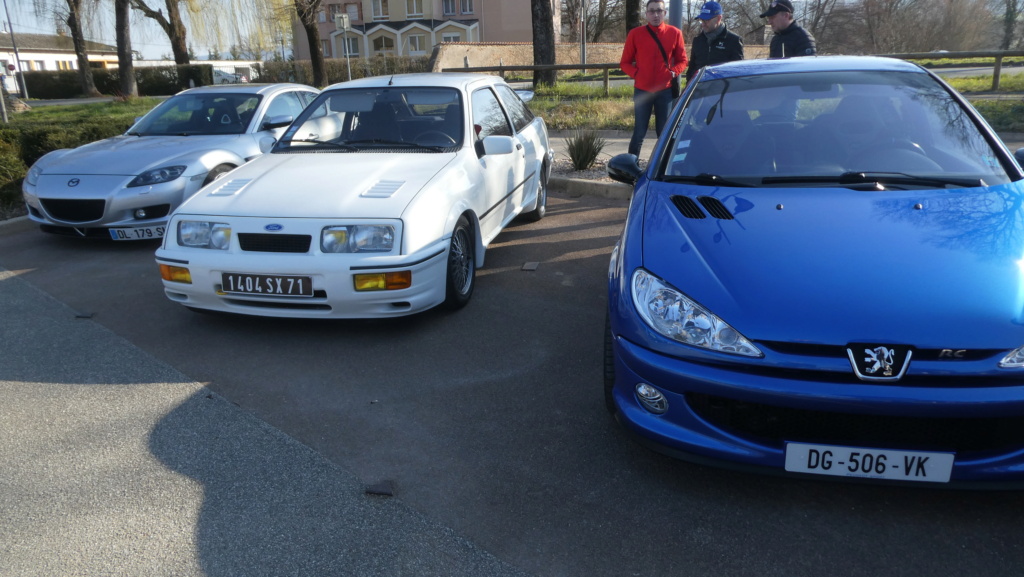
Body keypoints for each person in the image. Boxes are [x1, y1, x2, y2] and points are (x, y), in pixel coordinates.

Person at [620, 0, 687, 157]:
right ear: (646, 14)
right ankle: (631, 167)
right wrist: (637, 74)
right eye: (652, 11)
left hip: (665, 91)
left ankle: (661, 169)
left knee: (663, 133)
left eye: (659, 10)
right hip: (642, 90)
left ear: (664, 13)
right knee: (639, 132)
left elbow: (683, 60)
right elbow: (624, 63)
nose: (655, 14)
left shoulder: (675, 33)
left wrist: (673, 72)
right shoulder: (635, 34)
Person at [686, 1, 744, 82]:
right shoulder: (698, 40)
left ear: (719, 18)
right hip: (700, 91)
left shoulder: (733, 41)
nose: (703, 24)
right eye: (701, 20)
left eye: (706, 20)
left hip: (722, 91)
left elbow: (738, 72)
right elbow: (691, 69)